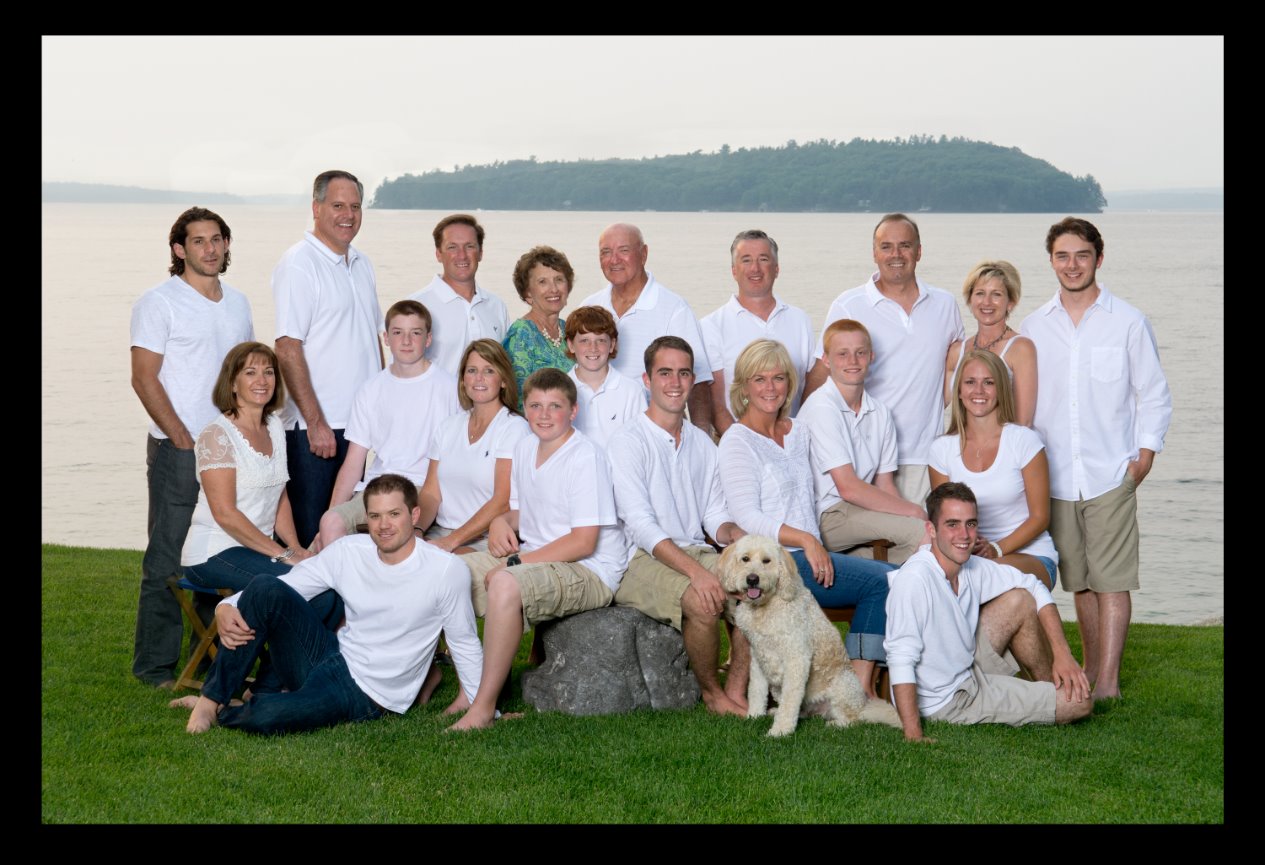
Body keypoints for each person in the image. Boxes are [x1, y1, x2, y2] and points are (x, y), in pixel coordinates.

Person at [172, 473, 484, 735]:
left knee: (267, 717)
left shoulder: (445, 570)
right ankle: (210, 701)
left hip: (368, 693)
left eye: (394, 514)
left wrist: (481, 706)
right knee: (265, 586)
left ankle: (232, 709)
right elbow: (292, 583)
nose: (383, 525)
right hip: (331, 655)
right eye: (375, 516)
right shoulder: (350, 551)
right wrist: (225, 606)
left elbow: (464, 641)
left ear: (414, 516)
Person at [1020, 217, 1172, 700]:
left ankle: (1109, 683)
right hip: (1056, 477)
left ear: (1098, 259)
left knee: (1112, 581)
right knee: (1080, 583)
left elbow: (1154, 394)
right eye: (1062, 256)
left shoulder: (1127, 320)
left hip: (1110, 472)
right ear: (1051, 261)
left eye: (1081, 255)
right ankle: (1089, 668)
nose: (1072, 265)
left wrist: (1144, 456)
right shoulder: (1034, 327)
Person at [452, 368, 632, 731]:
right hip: (541, 554)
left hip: (591, 568)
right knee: (449, 570)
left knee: (505, 583)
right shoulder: (524, 447)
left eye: (555, 406)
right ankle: (466, 690)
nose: (544, 415)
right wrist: (500, 522)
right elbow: (523, 511)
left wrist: (515, 563)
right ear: (525, 408)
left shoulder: (585, 457)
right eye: (535, 406)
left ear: (573, 411)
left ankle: (483, 709)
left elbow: (583, 541)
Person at [716, 338, 894, 699]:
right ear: (744, 387)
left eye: (779, 378)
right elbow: (747, 516)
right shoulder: (737, 440)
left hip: (812, 556)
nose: (770, 388)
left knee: (897, 578)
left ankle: (858, 683)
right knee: (887, 581)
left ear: (790, 384)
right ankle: (861, 688)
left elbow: (830, 483)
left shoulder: (798, 431)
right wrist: (806, 540)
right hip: (779, 562)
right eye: (760, 379)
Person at [129, 206, 254, 688]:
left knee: (215, 552)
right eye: (198, 241)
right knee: (166, 558)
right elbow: (144, 377)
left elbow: (245, 375)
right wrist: (181, 437)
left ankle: (208, 660)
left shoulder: (238, 303)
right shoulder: (159, 302)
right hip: (179, 450)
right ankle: (155, 667)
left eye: (217, 239)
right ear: (179, 249)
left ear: (227, 244)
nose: (210, 248)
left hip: (229, 451)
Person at [608, 336, 751, 715]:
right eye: (665, 373)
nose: (675, 382)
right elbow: (640, 526)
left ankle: (737, 692)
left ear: (692, 380)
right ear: (647, 379)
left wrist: (737, 536)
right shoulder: (627, 442)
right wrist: (697, 574)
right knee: (702, 601)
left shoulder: (702, 444)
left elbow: (713, 516)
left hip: (693, 548)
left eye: (684, 373)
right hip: (639, 558)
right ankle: (712, 695)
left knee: (755, 593)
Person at [885, 482, 1092, 741]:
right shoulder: (915, 579)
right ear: (931, 530)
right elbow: (900, 658)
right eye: (952, 524)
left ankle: (1051, 688)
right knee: (1080, 703)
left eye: (970, 524)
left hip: (964, 667)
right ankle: (1052, 698)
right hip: (948, 699)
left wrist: (1063, 654)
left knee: (1019, 599)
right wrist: (914, 734)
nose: (964, 535)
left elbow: (1034, 585)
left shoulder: (970, 566)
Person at [802, 214, 964, 507]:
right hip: (864, 461)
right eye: (886, 247)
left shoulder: (945, 304)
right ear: (874, 253)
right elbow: (820, 378)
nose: (896, 255)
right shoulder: (849, 305)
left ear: (919, 251)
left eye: (905, 245)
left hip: (925, 456)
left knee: (922, 533)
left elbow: (953, 370)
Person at [272, 169, 383, 548]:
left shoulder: (362, 264)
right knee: (309, 539)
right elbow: (287, 346)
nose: (348, 215)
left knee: (346, 537)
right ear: (316, 208)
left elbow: (372, 339)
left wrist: (383, 408)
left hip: (359, 428)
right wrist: (316, 422)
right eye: (338, 205)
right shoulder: (299, 263)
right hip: (317, 430)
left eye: (355, 206)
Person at [313, 300, 459, 551]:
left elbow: (457, 458)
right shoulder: (371, 389)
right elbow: (353, 463)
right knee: (331, 523)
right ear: (386, 338)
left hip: (422, 489)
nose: (406, 341)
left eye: (415, 333)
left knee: (397, 539)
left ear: (428, 339)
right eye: (398, 332)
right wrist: (328, 519)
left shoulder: (450, 388)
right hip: (377, 487)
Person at [181, 342, 311, 589]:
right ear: (232, 383)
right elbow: (225, 514)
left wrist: (295, 547)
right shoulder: (216, 436)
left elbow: (279, 494)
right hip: (213, 553)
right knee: (301, 585)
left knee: (320, 580)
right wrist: (283, 555)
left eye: (268, 372)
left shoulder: (274, 426)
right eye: (250, 372)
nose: (262, 381)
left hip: (259, 550)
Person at [798, 319, 927, 565]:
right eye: (842, 354)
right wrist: (915, 512)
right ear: (826, 360)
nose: (853, 361)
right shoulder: (821, 408)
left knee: (921, 536)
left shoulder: (880, 412)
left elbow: (885, 485)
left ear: (871, 356)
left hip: (859, 511)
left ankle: (861, 566)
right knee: (921, 532)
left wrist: (911, 514)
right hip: (826, 514)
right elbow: (848, 488)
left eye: (860, 353)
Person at [929, 349, 1059, 589]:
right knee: (923, 574)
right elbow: (945, 519)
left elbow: (1041, 517)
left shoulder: (1024, 441)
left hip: (1030, 555)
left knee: (976, 578)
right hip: (969, 557)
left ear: (1001, 390)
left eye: (988, 382)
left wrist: (997, 548)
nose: (978, 390)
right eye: (970, 382)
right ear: (959, 391)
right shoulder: (941, 449)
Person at [578, 223, 714, 431]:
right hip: (594, 430)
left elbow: (698, 381)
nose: (614, 260)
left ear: (643, 254)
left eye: (623, 250)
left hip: (653, 432)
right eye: (606, 252)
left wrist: (702, 436)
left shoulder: (674, 308)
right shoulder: (589, 306)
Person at [415, 339, 531, 553]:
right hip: (440, 533)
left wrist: (450, 542)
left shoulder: (514, 428)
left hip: (486, 540)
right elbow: (431, 493)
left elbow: (502, 501)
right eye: (472, 370)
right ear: (463, 380)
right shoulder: (448, 426)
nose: (479, 378)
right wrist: (416, 530)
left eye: (489, 371)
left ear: (503, 380)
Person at [701, 229, 813, 436]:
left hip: (793, 441)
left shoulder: (800, 320)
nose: (755, 268)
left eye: (763, 259)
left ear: (776, 269)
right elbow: (716, 404)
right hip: (736, 442)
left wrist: (795, 440)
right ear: (734, 270)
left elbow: (810, 392)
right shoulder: (711, 326)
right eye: (746, 260)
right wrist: (744, 445)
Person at [410, 214, 508, 377]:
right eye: (452, 247)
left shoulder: (496, 306)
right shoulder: (417, 306)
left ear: (480, 253)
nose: (462, 255)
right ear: (438, 254)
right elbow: (402, 373)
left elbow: (505, 369)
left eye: (469, 246)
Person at [943, 260, 1038, 427]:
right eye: (980, 293)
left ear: (1011, 302)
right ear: (970, 300)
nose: (986, 302)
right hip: (962, 441)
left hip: (1006, 442)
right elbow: (935, 408)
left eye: (996, 294)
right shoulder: (957, 351)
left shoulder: (1020, 349)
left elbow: (1023, 422)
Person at [503, 245, 576, 408]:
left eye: (559, 279)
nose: (554, 289)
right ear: (528, 292)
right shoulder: (521, 334)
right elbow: (516, 400)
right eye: (543, 282)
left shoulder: (569, 329)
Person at [564, 305, 646, 449]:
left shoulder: (631, 390)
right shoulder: (560, 389)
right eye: (584, 340)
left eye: (601, 340)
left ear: (612, 345)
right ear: (571, 345)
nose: (593, 348)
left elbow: (639, 443)